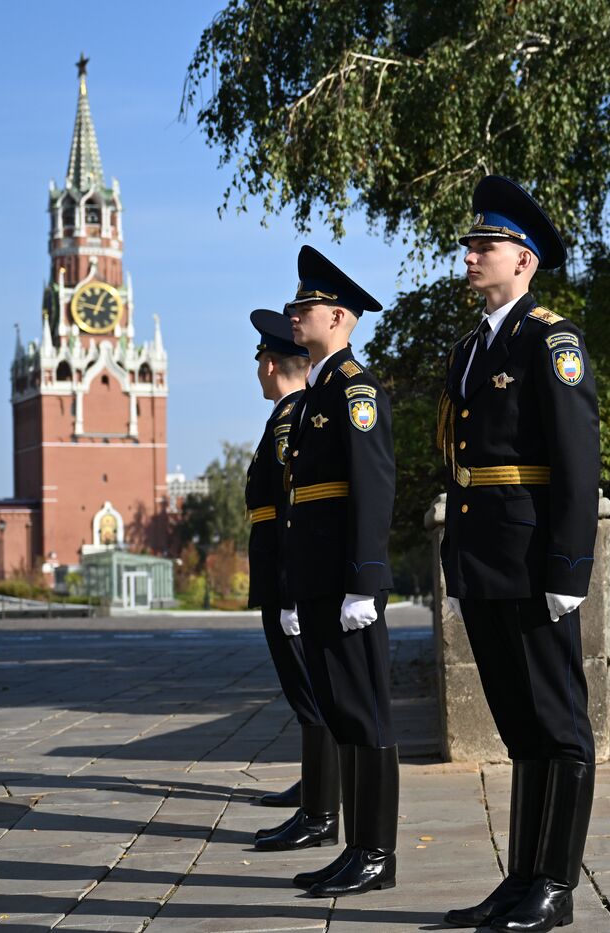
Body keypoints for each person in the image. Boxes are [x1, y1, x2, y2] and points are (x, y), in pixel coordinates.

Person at [438, 176, 600, 933]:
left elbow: (575, 461)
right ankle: (522, 876)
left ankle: (556, 885)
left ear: (524, 260)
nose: (471, 254)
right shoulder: (474, 347)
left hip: (534, 561)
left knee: (559, 725)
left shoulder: (550, 341)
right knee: (519, 729)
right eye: (471, 244)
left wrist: (570, 569)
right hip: (485, 561)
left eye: (486, 245)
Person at [280, 246, 398, 897]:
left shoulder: (356, 390)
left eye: (306, 306)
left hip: (346, 583)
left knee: (367, 718)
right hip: (320, 579)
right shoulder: (320, 391)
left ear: (339, 316)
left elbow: (372, 487)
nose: (296, 314)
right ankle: (358, 848)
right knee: (345, 717)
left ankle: (376, 852)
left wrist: (365, 580)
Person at [244, 308, 342, 852]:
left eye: (261, 360)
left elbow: (288, 514)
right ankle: (316, 791)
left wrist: (287, 591)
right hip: (284, 575)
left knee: (312, 698)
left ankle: (320, 810)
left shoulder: (290, 421)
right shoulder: (286, 417)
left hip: (290, 577)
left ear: (272, 365)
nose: (257, 370)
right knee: (309, 696)